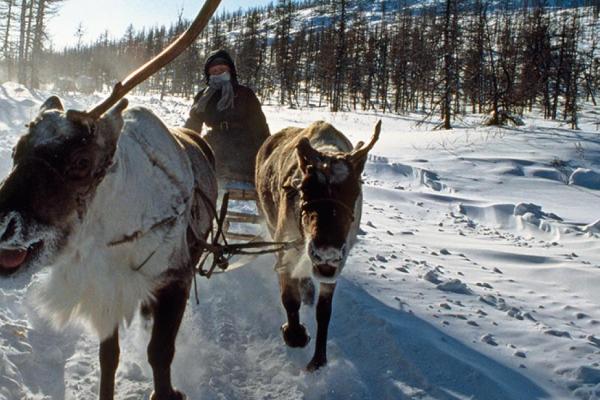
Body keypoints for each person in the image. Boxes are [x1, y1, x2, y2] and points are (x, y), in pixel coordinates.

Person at [184, 49, 270, 184]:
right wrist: (185, 145)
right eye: (214, 71)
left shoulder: (245, 93)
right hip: (214, 144)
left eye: (222, 69)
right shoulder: (203, 96)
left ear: (230, 70)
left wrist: (266, 153)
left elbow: (259, 126)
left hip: (244, 147)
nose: (218, 73)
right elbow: (193, 123)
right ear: (208, 74)